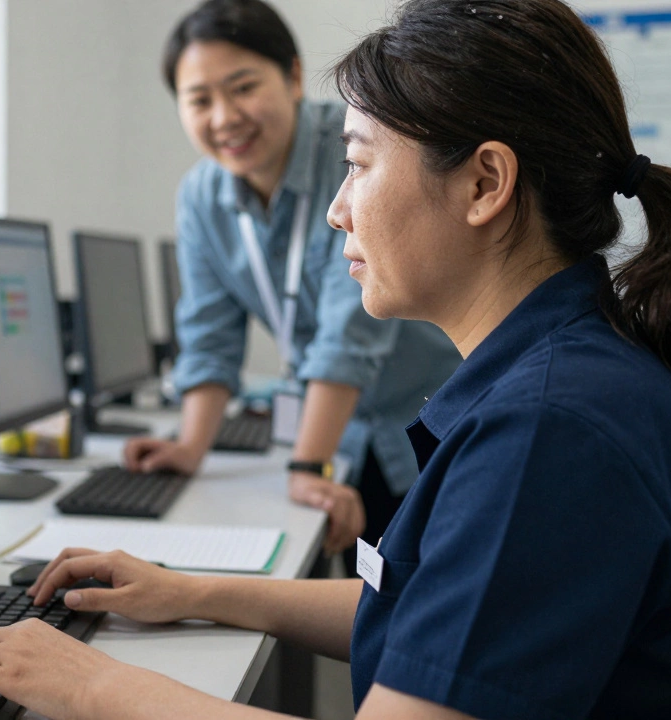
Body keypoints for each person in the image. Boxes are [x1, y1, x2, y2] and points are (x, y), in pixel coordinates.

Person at [0, 0, 671, 717]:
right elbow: (423, 601)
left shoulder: (546, 433)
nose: (339, 208)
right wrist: (194, 591)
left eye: (361, 164)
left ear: (484, 183)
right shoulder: (557, 376)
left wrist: (95, 685)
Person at [123, 0, 461, 559]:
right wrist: (190, 446)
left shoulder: (350, 151)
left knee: (430, 595)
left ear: (294, 76)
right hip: (343, 431)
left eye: (243, 87)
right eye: (199, 100)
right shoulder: (202, 197)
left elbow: (348, 328)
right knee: (370, 599)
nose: (224, 116)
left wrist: (307, 463)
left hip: (426, 415)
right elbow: (210, 333)